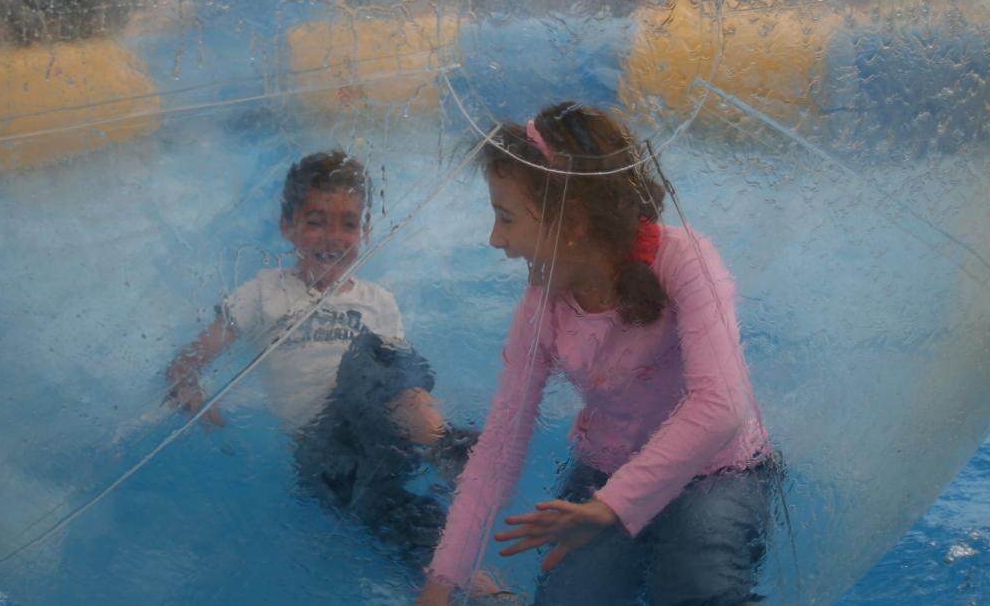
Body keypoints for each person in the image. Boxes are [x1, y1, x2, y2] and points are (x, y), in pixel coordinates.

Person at [419, 102, 775, 606]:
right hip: (606, 470)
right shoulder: (543, 303)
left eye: (506, 217)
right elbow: (499, 443)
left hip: (718, 473)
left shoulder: (682, 261)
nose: (496, 239)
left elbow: (722, 406)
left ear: (574, 221)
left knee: (695, 585)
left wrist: (612, 506)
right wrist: (443, 580)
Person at [164, 150, 471, 569]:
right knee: (405, 528)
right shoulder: (263, 292)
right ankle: (487, 590)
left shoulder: (378, 301)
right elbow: (189, 359)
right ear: (287, 228)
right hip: (322, 449)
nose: (332, 236)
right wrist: (190, 389)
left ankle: (455, 458)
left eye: (348, 223)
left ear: (364, 230)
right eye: (316, 221)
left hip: (385, 424)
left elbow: (405, 387)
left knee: (370, 356)